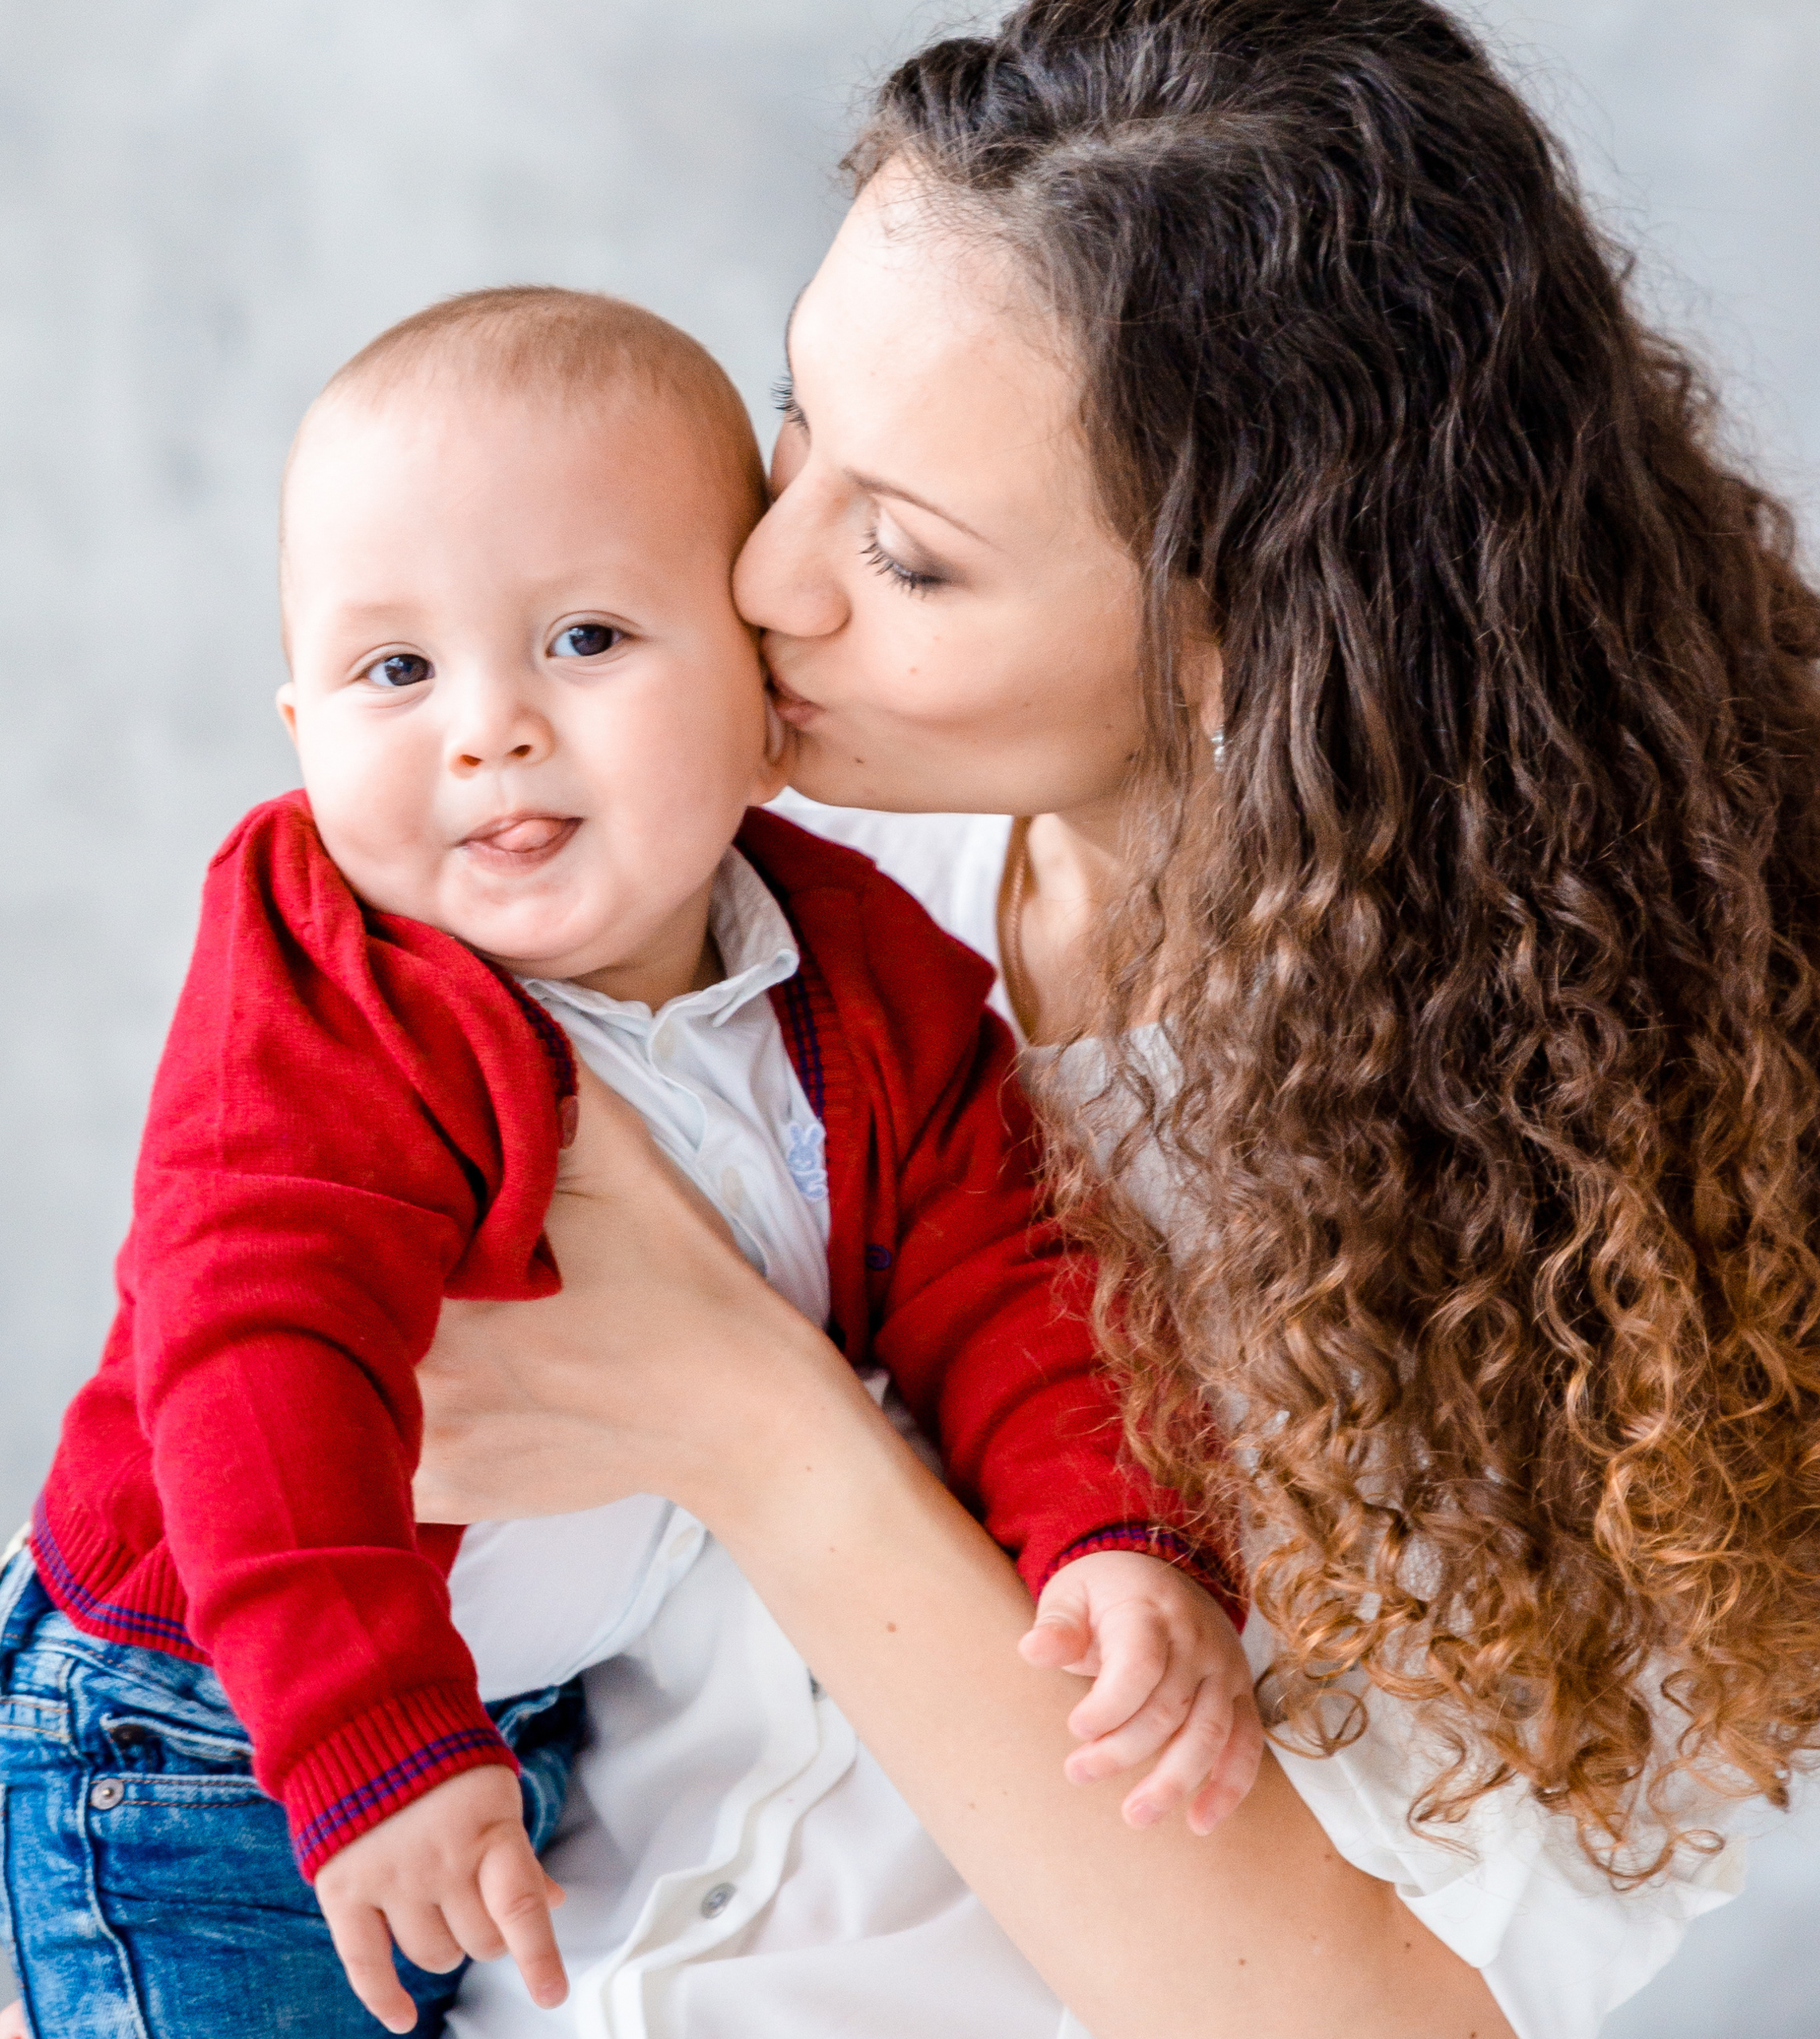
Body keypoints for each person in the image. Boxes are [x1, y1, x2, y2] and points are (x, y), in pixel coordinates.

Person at [386, 4, 1820, 2038]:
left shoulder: (1611, 1189)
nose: (762, 578)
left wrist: (760, 1431)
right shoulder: (724, 831)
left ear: (1255, 639)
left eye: (905, 556)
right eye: (795, 423)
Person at [0, 284, 1252, 2039]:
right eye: (396, 671)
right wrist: (370, 1738)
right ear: (300, 727)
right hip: (215, 1722)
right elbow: (255, 1367)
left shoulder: (863, 968)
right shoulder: (328, 984)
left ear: (766, 695)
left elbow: (1004, 1271)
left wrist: (1108, 1528)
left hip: (501, 1703)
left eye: (584, 638)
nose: (486, 727)